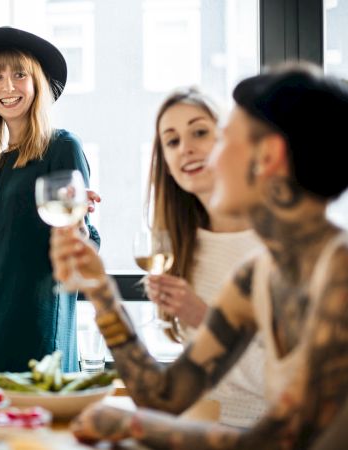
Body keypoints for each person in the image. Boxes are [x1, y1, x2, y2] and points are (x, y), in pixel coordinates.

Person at [49, 62, 348, 448]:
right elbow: (164, 397)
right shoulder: (256, 276)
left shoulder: (339, 271)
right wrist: (101, 292)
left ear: (268, 156)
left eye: (223, 140)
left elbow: (283, 440)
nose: (209, 158)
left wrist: (135, 426)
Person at [0, 27, 99, 381]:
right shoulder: (2, 162)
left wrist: (80, 224)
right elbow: (1, 249)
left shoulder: (62, 147)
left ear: (37, 83)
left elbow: (81, 246)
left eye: (19, 74)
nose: (7, 87)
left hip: (34, 322)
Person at [143, 87, 267, 427]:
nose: (186, 148)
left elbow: (295, 375)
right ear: (166, 164)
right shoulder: (179, 244)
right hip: (202, 423)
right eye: (172, 141)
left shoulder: (274, 240)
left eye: (200, 132)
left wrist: (206, 320)